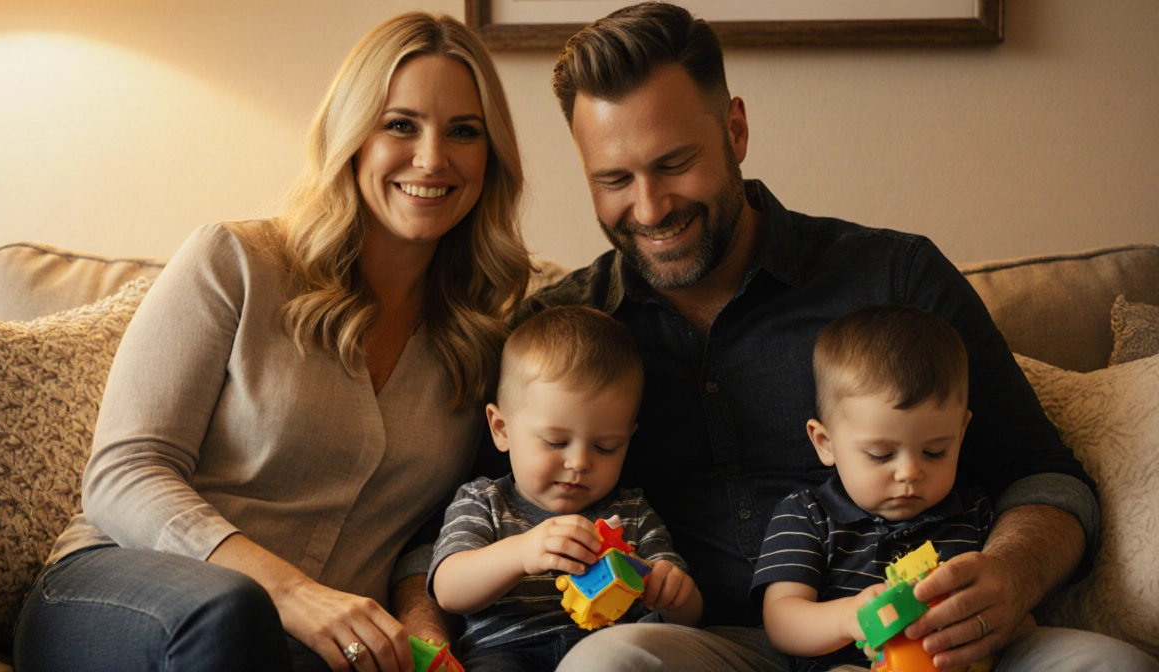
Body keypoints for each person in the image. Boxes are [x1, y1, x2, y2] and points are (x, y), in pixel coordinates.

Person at [512, 2, 1157, 671]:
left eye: (675, 164)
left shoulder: (894, 278)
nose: (648, 208)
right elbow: (455, 522)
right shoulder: (563, 334)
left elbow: (1046, 478)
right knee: (607, 663)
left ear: (735, 131)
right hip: (706, 651)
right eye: (614, 179)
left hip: (933, 649)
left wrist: (1009, 577)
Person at [12, 12, 531, 672]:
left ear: (491, 159)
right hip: (123, 594)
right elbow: (123, 475)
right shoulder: (236, 261)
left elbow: (429, 539)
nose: (432, 158)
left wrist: (424, 643)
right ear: (353, 137)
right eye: (400, 124)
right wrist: (292, 595)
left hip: (309, 644)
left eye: (464, 132)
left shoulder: (484, 341)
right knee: (232, 612)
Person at [428, 305, 702, 672]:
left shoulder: (632, 511)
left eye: (606, 447)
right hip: (505, 652)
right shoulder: (484, 501)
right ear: (501, 428)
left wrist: (675, 594)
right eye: (556, 442)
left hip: (607, 650)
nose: (579, 463)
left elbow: (688, 616)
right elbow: (448, 590)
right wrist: (522, 552)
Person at [753, 304, 992, 671]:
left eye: (935, 452)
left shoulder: (974, 513)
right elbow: (782, 620)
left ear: (961, 433)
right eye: (881, 455)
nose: (909, 473)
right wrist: (850, 617)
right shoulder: (808, 515)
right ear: (825, 443)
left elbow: (1011, 613)